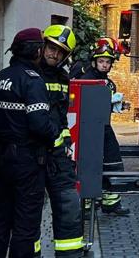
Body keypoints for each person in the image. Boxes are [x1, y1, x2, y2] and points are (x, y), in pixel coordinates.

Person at [0, 28, 60, 258]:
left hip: (1, 157)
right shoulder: (33, 80)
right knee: (25, 225)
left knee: (1, 217)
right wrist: (55, 131)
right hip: (27, 159)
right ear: (37, 51)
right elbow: (39, 124)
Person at [41, 25, 84, 257]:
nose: (54, 54)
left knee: (68, 203)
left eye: (60, 51)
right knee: (30, 209)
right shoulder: (30, 74)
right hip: (33, 152)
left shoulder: (62, 78)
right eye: (51, 47)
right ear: (43, 45)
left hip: (57, 154)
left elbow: (61, 117)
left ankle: (70, 253)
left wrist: (66, 143)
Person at [78, 37, 129, 215]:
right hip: (89, 130)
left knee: (112, 162)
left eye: (107, 62)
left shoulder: (108, 82)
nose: (104, 65)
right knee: (89, 165)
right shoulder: (87, 79)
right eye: (101, 61)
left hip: (104, 127)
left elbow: (108, 106)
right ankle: (85, 205)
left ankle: (110, 202)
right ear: (94, 61)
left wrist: (119, 105)